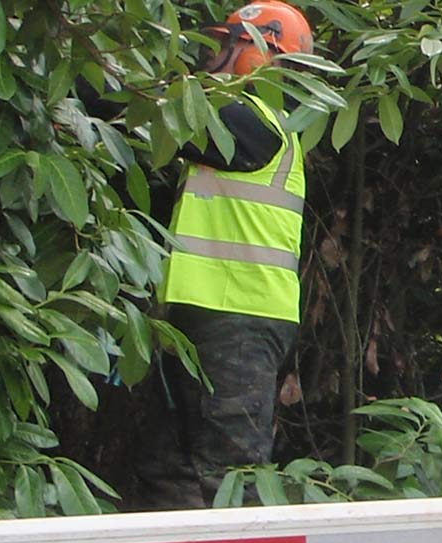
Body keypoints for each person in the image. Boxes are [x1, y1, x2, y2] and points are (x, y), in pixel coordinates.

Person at [129, 1, 315, 510]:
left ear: (259, 56)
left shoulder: (258, 126)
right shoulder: (225, 120)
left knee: (231, 476)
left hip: (240, 317)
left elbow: (164, 114)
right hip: (193, 314)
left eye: (229, 44)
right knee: (167, 469)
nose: (215, 55)